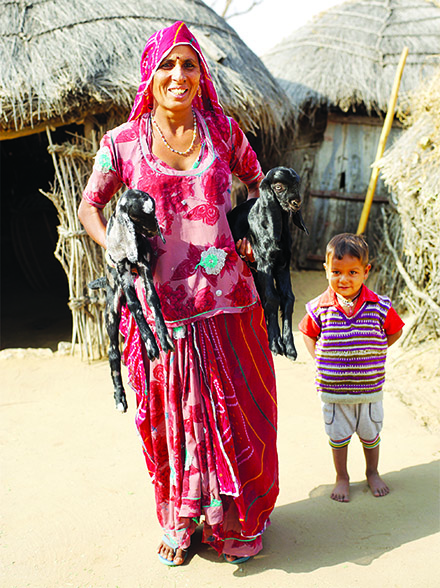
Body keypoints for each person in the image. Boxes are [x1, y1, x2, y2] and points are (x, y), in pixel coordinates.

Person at [78, 21, 278, 566]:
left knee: (239, 415)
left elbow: (258, 185)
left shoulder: (224, 132)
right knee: (170, 418)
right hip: (160, 312)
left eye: (189, 64)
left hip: (227, 299)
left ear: (201, 74)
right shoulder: (120, 144)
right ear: (150, 74)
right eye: (167, 65)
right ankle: (181, 518)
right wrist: (116, 245)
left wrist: (253, 231)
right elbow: (89, 207)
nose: (179, 75)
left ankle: (236, 520)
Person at [299, 233, 404, 503]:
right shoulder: (319, 307)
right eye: (336, 272)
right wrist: (318, 358)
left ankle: (372, 472)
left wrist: (377, 348)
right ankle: (342, 477)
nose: (343, 279)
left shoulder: (379, 306)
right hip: (334, 391)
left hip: (368, 390)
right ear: (326, 270)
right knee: (338, 437)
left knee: (370, 436)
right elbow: (308, 333)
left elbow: (394, 331)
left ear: (365, 272)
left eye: (352, 272)